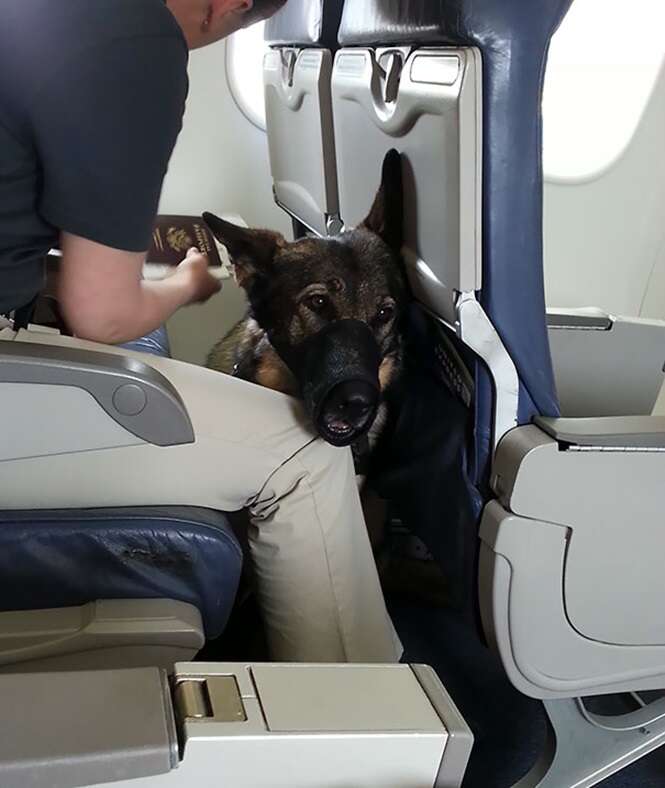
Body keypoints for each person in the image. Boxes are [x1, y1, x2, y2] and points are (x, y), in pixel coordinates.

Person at [0, 0, 401, 663]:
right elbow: (101, 317)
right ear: (233, 5)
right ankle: (355, 715)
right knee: (305, 458)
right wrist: (185, 284)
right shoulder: (137, 39)